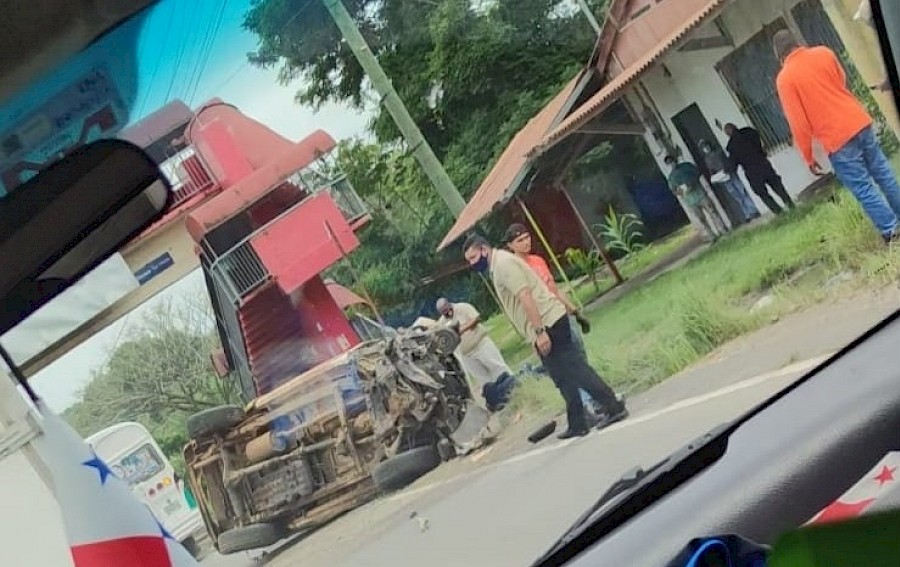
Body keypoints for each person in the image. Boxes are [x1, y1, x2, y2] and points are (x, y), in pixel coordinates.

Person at [462, 234, 627, 439]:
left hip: (549, 322)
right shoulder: (497, 266)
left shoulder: (503, 264)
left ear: (484, 250)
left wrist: (540, 332)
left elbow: (525, 296)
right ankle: (579, 422)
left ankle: (613, 405)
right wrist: (533, 337)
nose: (472, 264)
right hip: (543, 325)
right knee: (561, 376)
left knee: (574, 369)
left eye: (473, 257)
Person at [774, 29, 900, 244]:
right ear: (797, 43)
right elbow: (840, 81)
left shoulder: (785, 79)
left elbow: (799, 123)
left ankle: (892, 231)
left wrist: (808, 157)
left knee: (863, 186)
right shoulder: (824, 52)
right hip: (858, 120)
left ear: (779, 55)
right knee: (883, 173)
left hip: (837, 139)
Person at [502, 223, 591, 354]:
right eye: (520, 240)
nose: (526, 242)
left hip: (560, 312)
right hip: (545, 321)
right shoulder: (514, 269)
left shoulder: (537, 260)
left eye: (527, 237)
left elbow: (553, 288)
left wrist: (574, 311)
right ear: (510, 246)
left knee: (579, 351)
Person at [435, 298, 513, 402]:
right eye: (443, 312)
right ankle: (499, 399)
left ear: (449, 305)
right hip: (466, 354)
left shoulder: (462, 307)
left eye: (447, 310)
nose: (446, 313)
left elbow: (476, 318)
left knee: (497, 367)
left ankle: (513, 388)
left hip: (480, 345)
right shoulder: (442, 322)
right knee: (483, 379)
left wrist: (461, 329)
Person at [723, 123, 796, 215]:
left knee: (762, 193)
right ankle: (790, 204)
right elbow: (758, 140)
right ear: (735, 126)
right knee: (777, 185)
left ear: (728, 133)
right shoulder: (749, 132)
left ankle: (779, 212)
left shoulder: (732, 146)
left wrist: (726, 170)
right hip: (763, 163)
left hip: (751, 171)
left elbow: (733, 164)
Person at [664, 154, 727, 242]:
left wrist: (692, 183)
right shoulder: (671, 177)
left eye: (672, 162)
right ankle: (711, 236)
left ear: (675, 160)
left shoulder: (687, 166)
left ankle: (723, 230)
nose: (671, 164)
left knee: (712, 212)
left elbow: (698, 173)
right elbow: (674, 190)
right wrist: (681, 192)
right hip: (690, 201)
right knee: (701, 220)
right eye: (669, 163)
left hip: (701, 194)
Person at [699, 138, 760, 223]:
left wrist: (726, 169)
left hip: (731, 174)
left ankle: (754, 211)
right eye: (703, 147)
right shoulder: (707, 159)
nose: (706, 148)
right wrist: (714, 176)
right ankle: (747, 214)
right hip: (723, 179)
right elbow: (711, 170)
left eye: (706, 146)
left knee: (742, 192)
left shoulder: (719, 151)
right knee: (737, 196)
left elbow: (727, 161)